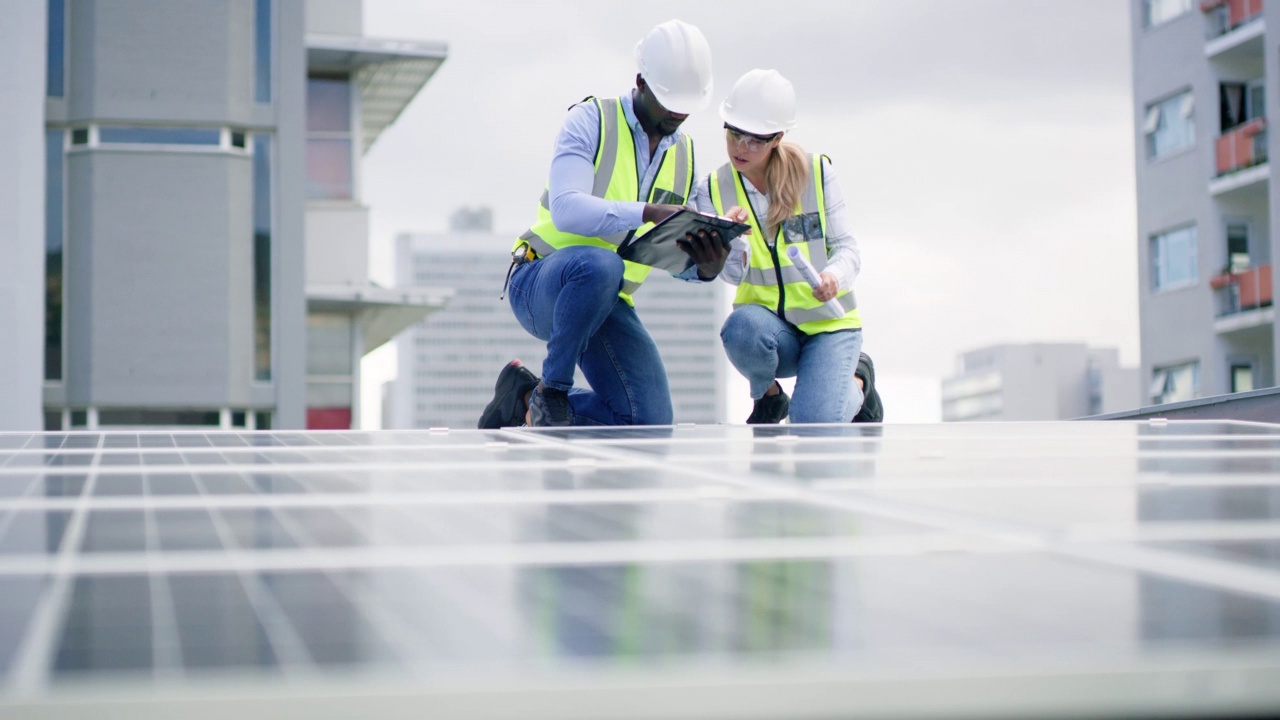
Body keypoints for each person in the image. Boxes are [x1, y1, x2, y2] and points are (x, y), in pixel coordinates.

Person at [479, 19, 728, 429]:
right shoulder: (590, 120)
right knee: (601, 265)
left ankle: (524, 399)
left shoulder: (683, 153)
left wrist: (703, 268)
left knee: (650, 419)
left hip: (606, 301)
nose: (678, 113)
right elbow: (566, 209)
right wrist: (645, 211)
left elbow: (663, 247)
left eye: (687, 104)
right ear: (641, 82)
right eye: (669, 100)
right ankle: (552, 392)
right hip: (542, 281)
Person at [696, 68, 879, 424]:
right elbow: (733, 276)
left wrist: (833, 278)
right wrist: (732, 240)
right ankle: (769, 396)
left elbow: (848, 250)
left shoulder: (817, 174)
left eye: (755, 140)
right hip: (771, 332)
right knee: (739, 328)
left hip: (829, 327)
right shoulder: (713, 189)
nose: (741, 148)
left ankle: (858, 381)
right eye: (733, 134)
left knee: (812, 424)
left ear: (778, 137)